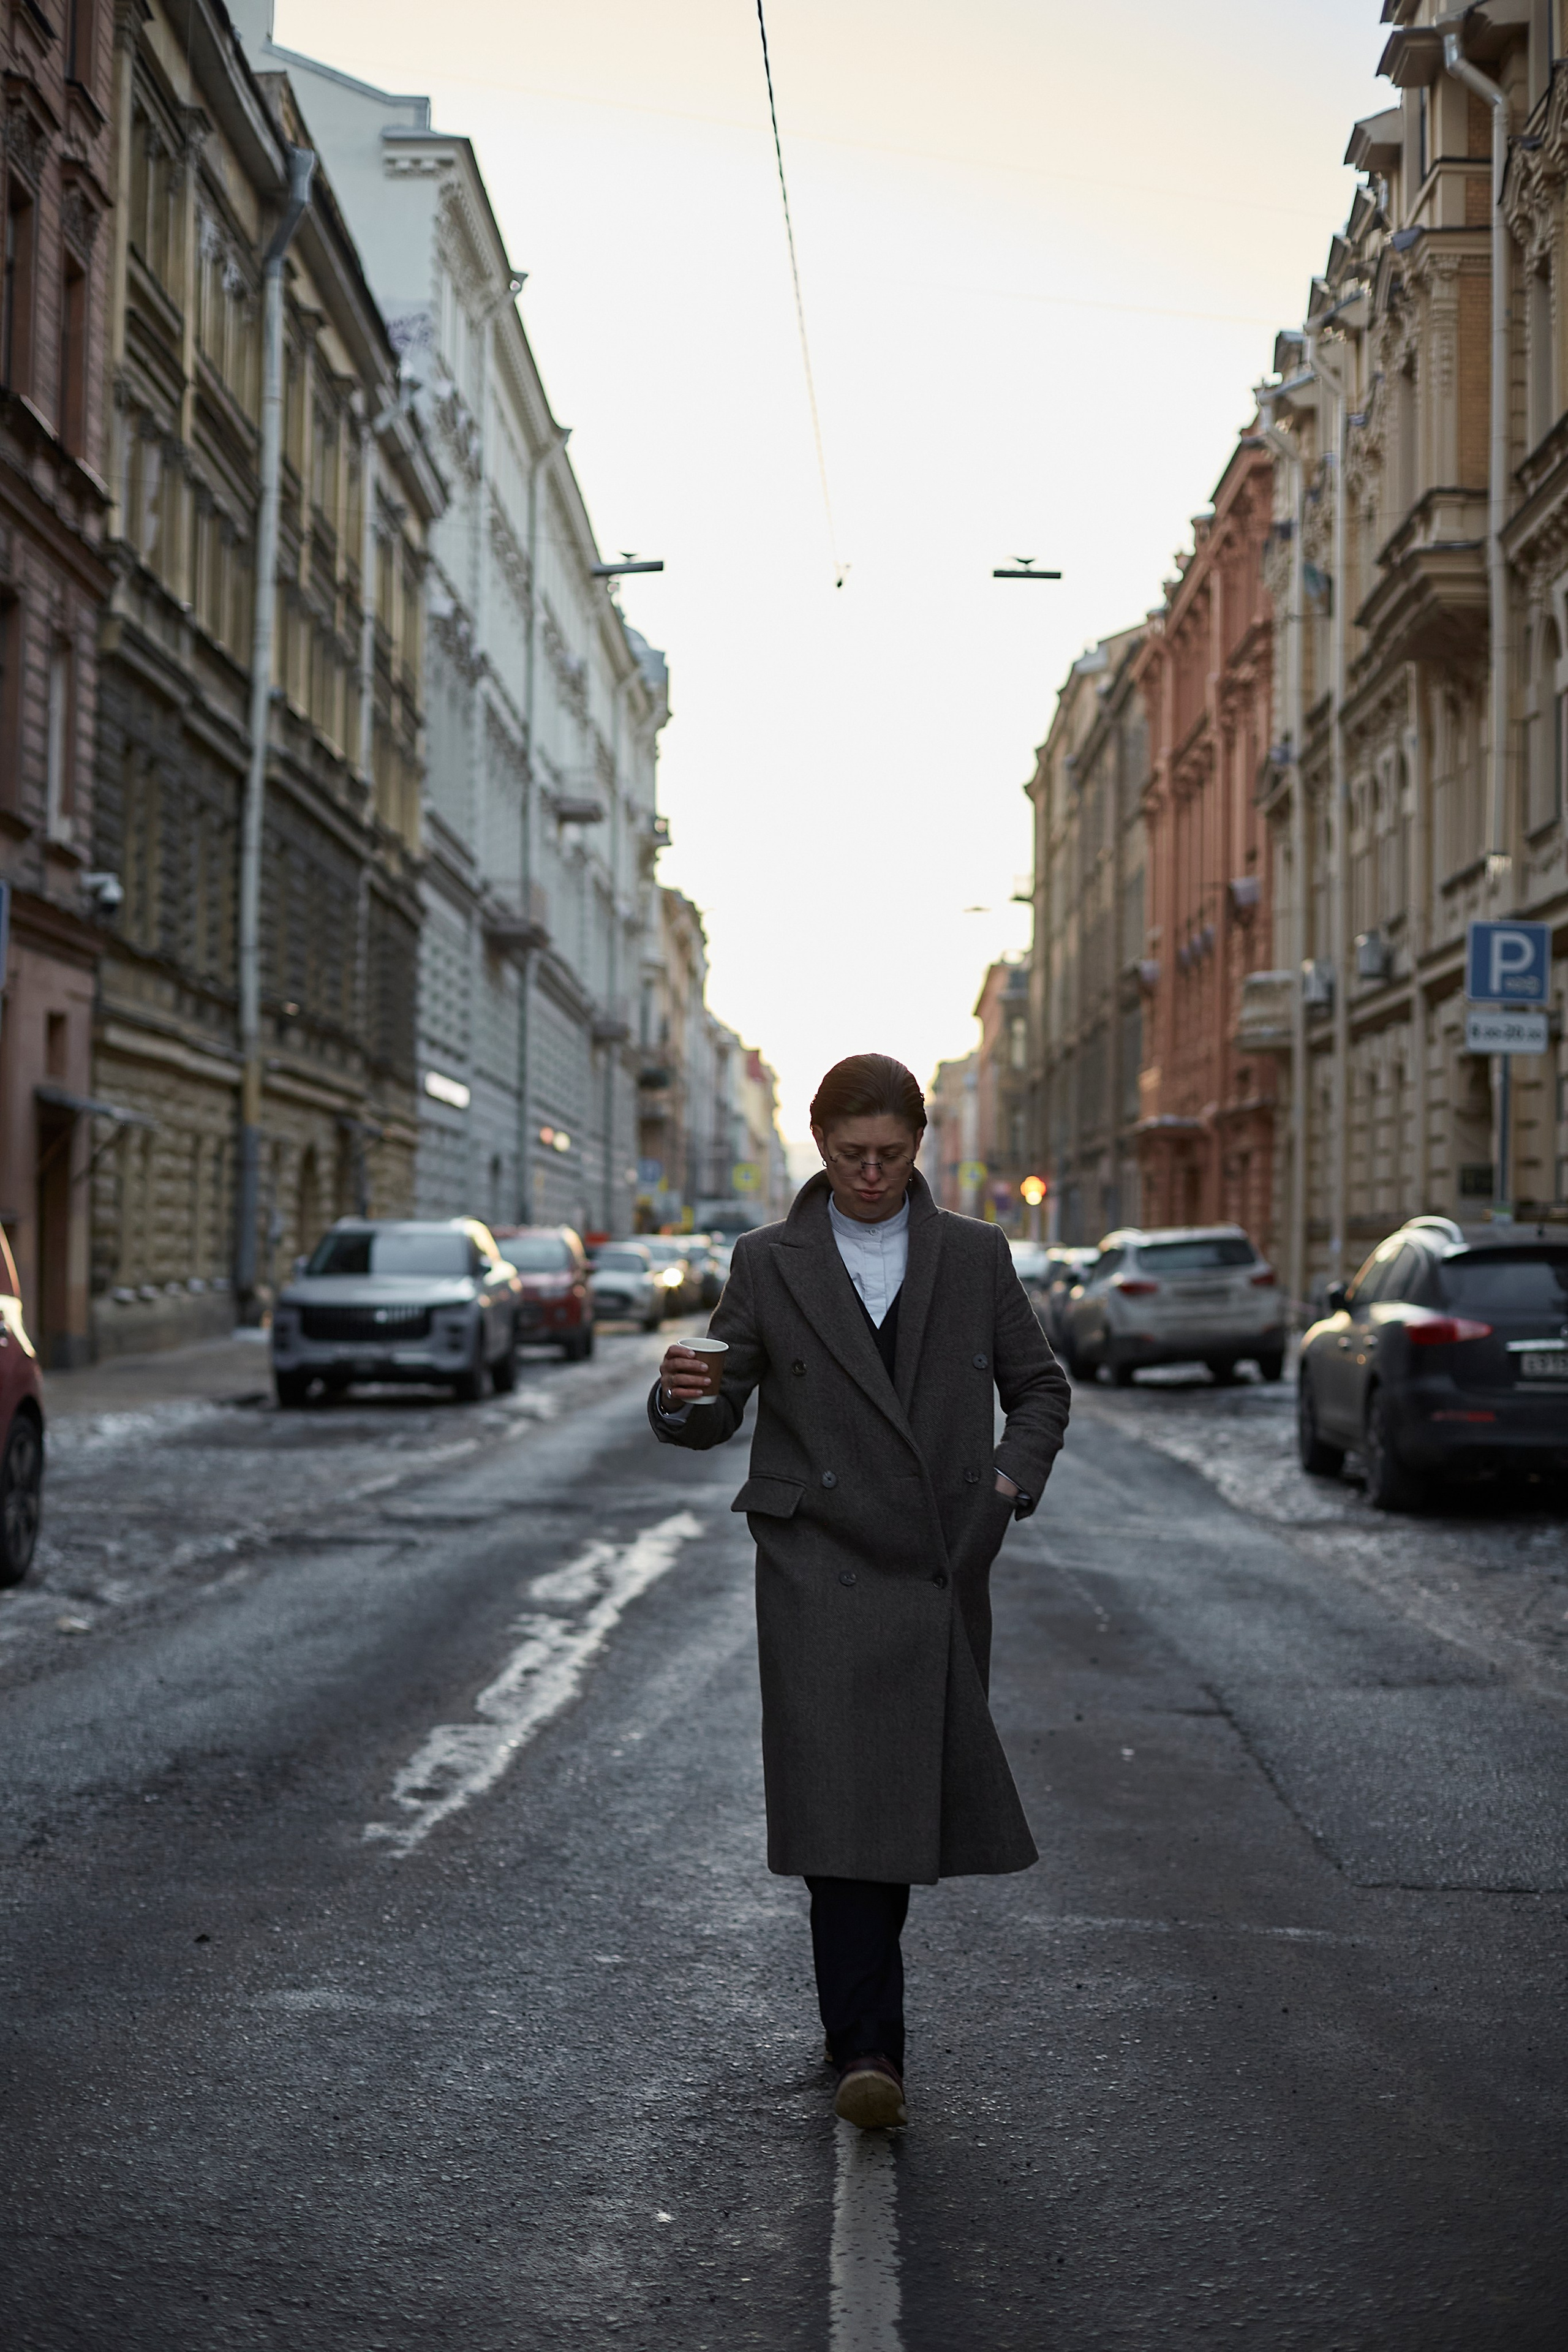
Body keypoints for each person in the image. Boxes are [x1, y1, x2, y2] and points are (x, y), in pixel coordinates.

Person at [649, 1052, 1070, 2129]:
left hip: (935, 1561)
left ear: (919, 1146)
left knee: (892, 1804)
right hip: (816, 1568)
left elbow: (1040, 1388)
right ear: (819, 1144)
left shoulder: (973, 1255)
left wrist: (1005, 1484)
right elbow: (717, 1411)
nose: (871, 1175)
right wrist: (678, 1393)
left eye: (890, 1154)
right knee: (842, 1808)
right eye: (850, 1156)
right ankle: (869, 2049)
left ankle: (859, 2034)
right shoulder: (769, 1259)